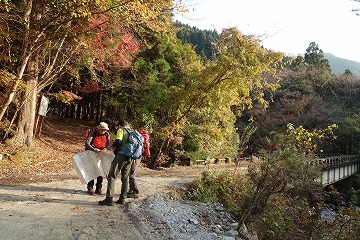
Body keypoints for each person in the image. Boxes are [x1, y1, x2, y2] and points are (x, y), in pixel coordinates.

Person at [99, 119, 132, 206]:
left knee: (112, 176)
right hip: (129, 157)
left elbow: (118, 141)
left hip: (121, 155)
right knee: (125, 178)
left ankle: (109, 199)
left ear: (120, 125)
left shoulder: (121, 130)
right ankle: (122, 199)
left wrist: (113, 146)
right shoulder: (131, 132)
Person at [85, 122, 110, 195]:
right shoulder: (93, 133)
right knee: (91, 169)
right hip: (92, 153)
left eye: (105, 130)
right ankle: (90, 187)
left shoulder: (107, 134)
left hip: (101, 154)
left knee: (100, 171)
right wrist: (93, 149)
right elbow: (87, 143)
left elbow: (108, 144)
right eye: (102, 130)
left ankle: (98, 188)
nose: (104, 131)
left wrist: (106, 148)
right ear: (99, 128)